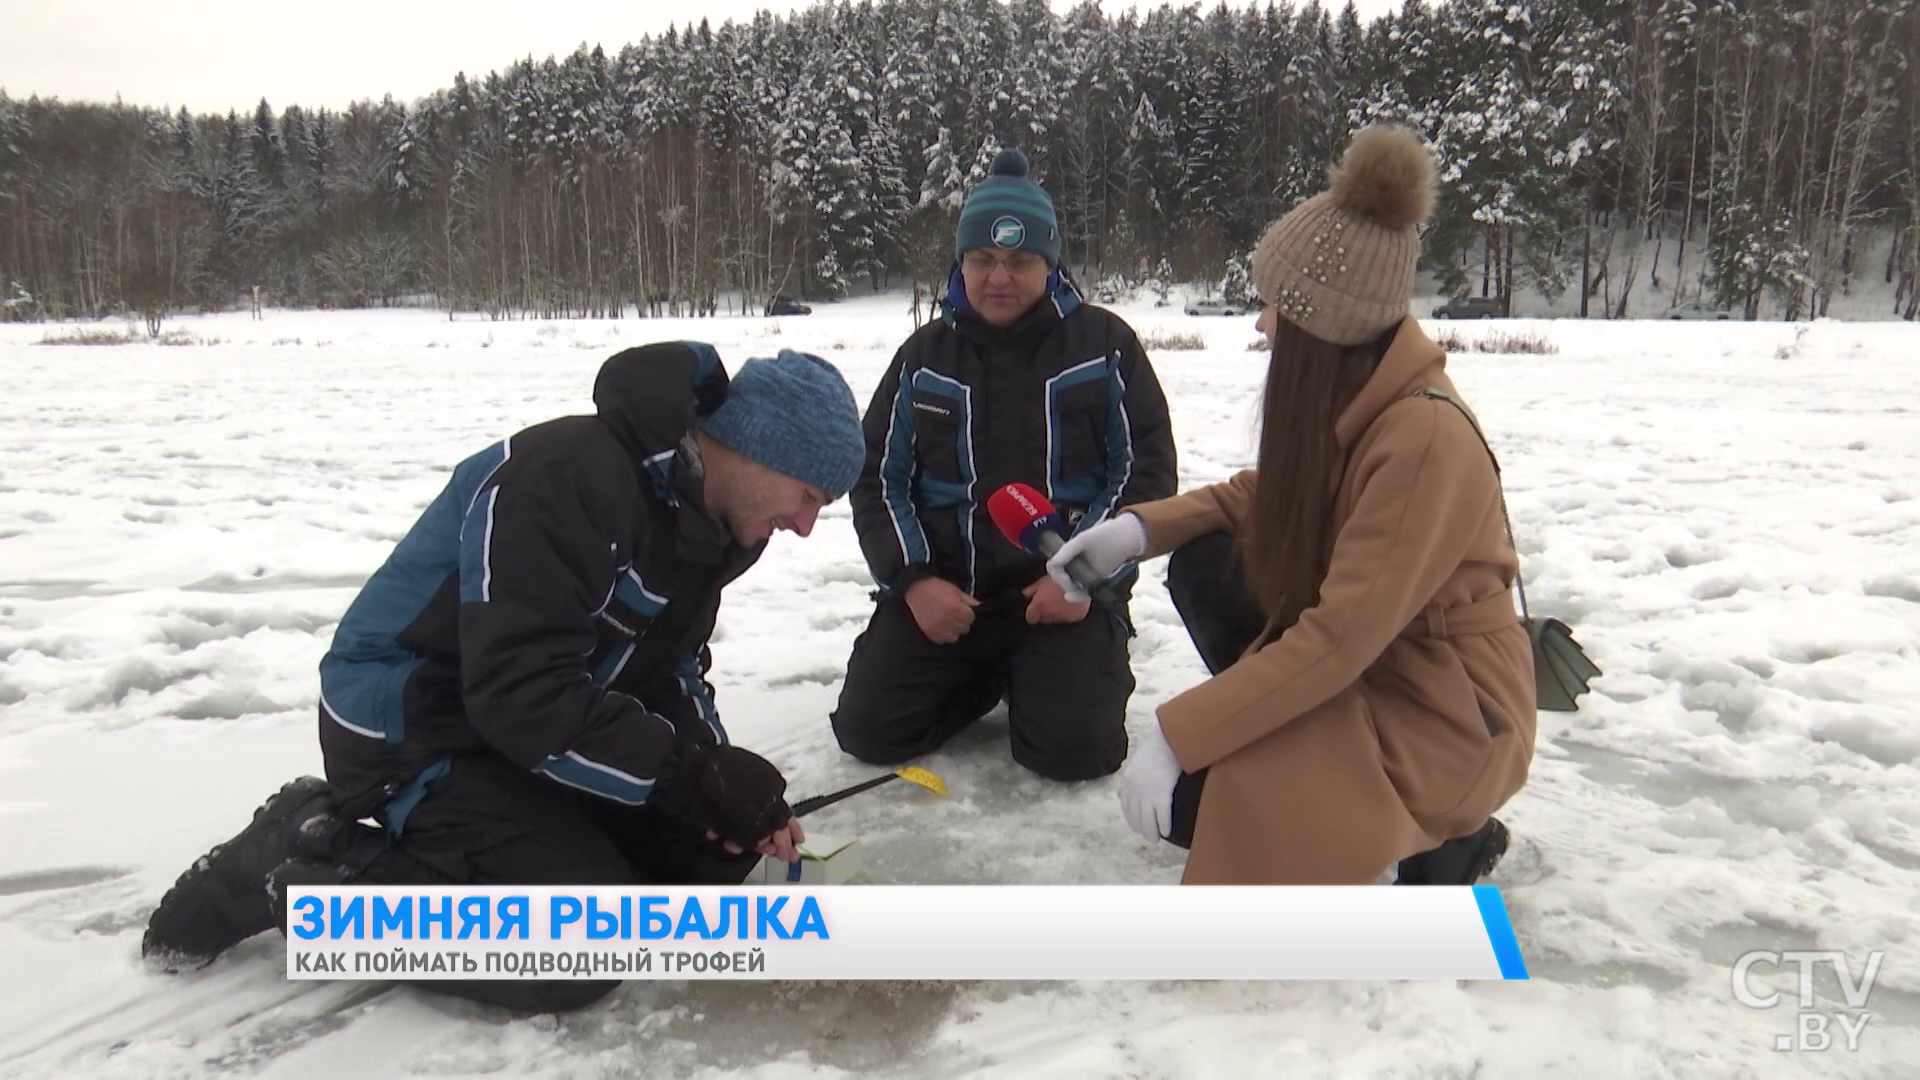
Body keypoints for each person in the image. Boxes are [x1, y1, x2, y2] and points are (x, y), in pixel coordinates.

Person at [141, 343, 868, 1012]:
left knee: (708, 856)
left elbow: (668, 667)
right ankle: (309, 867)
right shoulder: (568, 479)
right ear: (756, 449)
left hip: (520, 728)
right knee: (578, 948)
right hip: (412, 721)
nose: (805, 525)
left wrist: (719, 781)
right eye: (808, 495)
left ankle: (535, 856)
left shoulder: (706, 528)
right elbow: (521, 691)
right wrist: (682, 777)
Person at [1046, 125, 1536, 885]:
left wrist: (1182, 737)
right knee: (1209, 563)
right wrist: (1138, 532)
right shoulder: (1362, 400)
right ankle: (1326, 771)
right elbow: (1260, 496)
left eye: (1275, 306)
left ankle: (1444, 834)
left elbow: (1339, 640)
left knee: (1197, 805)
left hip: (1449, 717)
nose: (1260, 323)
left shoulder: (1424, 440)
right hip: (1385, 676)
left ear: (1321, 324)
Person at [832, 148, 1177, 782]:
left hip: (1062, 598)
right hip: (948, 597)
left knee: (1076, 753)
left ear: (1049, 265)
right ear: (960, 262)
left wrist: (1080, 577)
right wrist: (913, 583)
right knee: (869, 731)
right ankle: (990, 677)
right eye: (983, 260)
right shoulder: (922, 357)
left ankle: (1053, 670)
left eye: (1020, 262)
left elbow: (1144, 475)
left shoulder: (1106, 346)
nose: (999, 277)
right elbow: (877, 477)